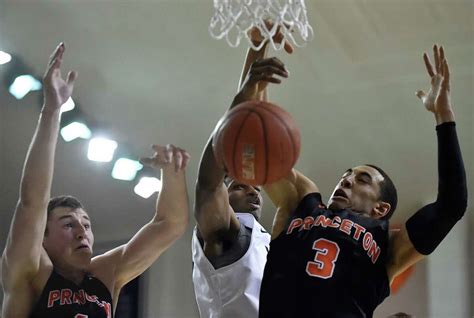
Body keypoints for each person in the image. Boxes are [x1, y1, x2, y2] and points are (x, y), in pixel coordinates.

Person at [257, 45, 467, 317]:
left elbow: (452, 205)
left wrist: (444, 116)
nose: (345, 181)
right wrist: (257, 57)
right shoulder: (303, 201)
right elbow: (258, 144)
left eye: (362, 179)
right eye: (346, 175)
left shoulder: (387, 246)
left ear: (381, 209)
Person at [1, 43, 190, 318]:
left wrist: (173, 175)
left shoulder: (105, 273)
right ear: (42, 238)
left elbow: (170, 225)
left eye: (86, 225)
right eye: (68, 224)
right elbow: (32, 203)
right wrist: (52, 111)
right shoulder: (29, 271)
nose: (82, 232)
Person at [191, 27, 292, 317]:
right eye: (239, 186)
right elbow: (208, 185)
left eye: (256, 188)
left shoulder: (262, 240)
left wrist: (258, 45)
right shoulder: (224, 232)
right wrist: (244, 93)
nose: (252, 190)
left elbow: (251, 125)